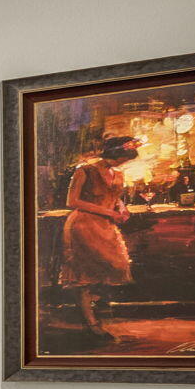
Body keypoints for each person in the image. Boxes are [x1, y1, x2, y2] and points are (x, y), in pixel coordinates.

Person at [58, 134, 138, 339]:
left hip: (105, 226)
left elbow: (115, 198)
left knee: (116, 266)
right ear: (115, 153)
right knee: (84, 275)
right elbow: (72, 201)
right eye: (123, 158)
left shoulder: (118, 174)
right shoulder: (85, 170)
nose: (124, 163)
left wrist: (122, 208)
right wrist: (110, 212)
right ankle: (91, 322)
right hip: (83, 225)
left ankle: (93, 309)